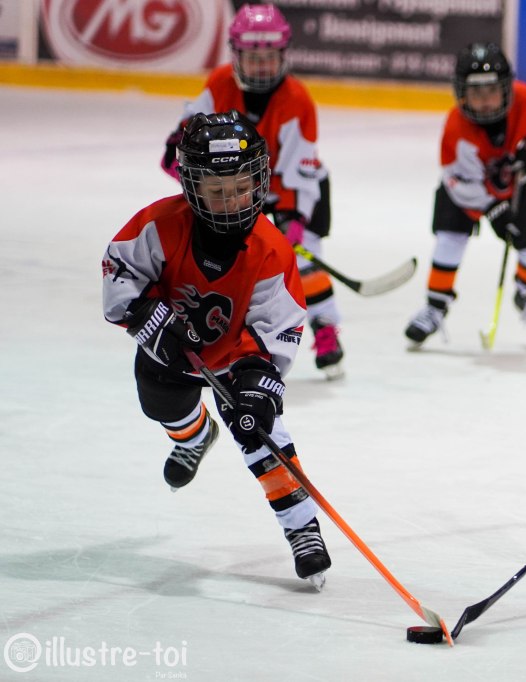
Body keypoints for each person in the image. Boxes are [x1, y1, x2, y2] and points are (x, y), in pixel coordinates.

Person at [105, 111, 332, 589]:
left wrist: (258, 381)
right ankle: (192, 437)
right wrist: (144, 316)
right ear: (191, 185)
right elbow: (119, 269)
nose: (230, 201)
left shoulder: (271, 250)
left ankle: (302, 528)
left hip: (234, 358)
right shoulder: (161, 224)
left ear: (259, 182)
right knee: (162, 406)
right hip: (170, 351)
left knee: (262, 435)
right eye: (216, 189)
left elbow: (280, 325)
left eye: (240, 187)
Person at [160, 3, 343, 377]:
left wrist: (293, 214)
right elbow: (193, 123)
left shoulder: (298, 99)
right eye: (252, 56)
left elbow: (301, 165)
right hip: (238, 189)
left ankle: (326, 328)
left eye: (270, 56)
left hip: (290, 188)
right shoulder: (219, 83)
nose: (262, 65)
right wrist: (179, 142)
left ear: (283, 54)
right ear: (236, 54)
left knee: (305, 261)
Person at [404, 42, 526, 345]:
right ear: (462, 94)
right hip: (463, 192)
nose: (485, 100)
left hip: (509, 184)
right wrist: (494, 209)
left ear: (507, 88)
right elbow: (461, 186)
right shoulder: (456, 130)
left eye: (491, 90)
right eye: (476, 93)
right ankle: (434, 308)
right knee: (449, 242)